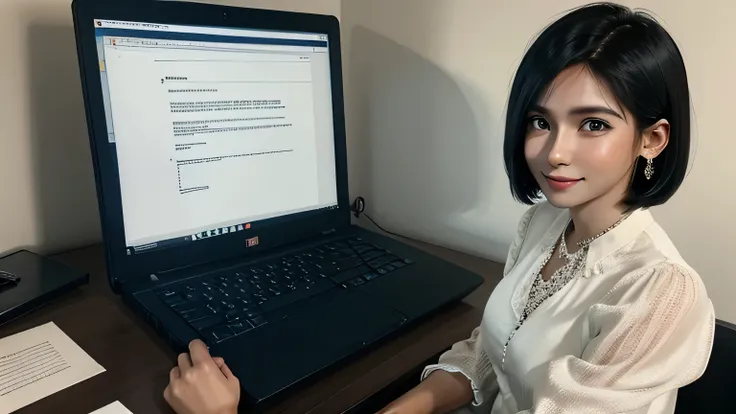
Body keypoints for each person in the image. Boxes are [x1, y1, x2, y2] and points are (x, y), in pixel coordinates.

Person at [164, 2, 715, 414]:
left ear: (653, 139)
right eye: (540, 121)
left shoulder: (660, 293)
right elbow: (493, 355)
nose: (555, 152)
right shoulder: (544, 225)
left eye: (593, 124)